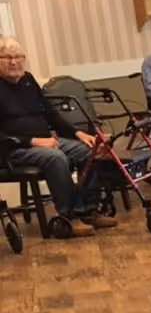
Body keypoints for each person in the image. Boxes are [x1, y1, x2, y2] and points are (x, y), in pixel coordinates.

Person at [0, 36, 115, 237]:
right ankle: (69, 217)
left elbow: (51, 114)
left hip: (46, 142)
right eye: (7, 57)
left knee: (89, 151)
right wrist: (33, 141)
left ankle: (89, 210)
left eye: (18, 56)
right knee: (55, 158)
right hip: (12, 151)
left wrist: (79, 134)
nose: (14, 61)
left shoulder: (28, 80)